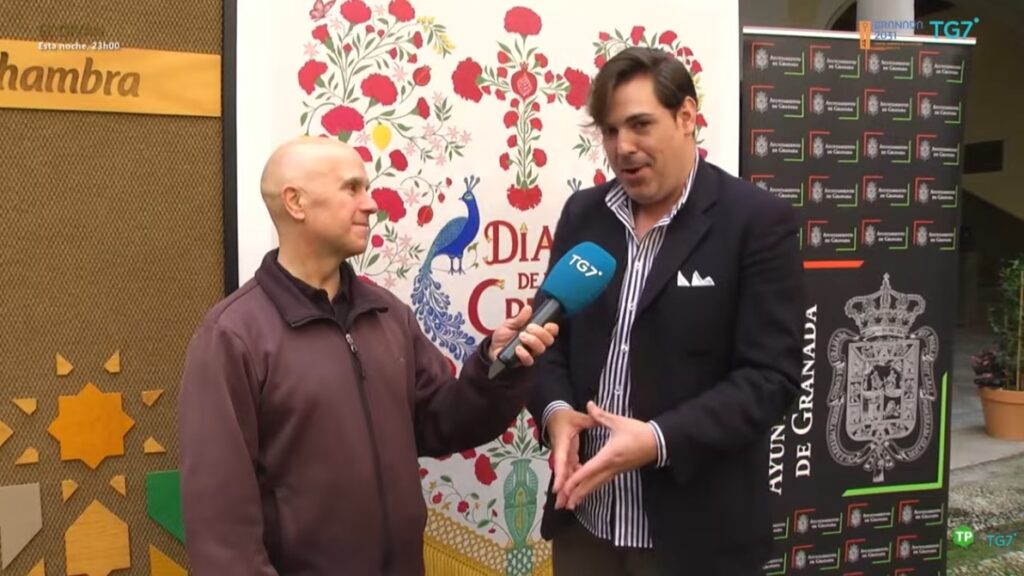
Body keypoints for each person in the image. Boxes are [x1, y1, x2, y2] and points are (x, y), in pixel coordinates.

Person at [177, 137, 559, 575]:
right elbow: (221, 527)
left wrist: (498, 366)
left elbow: (443, 422)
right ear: (295, 202)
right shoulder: (232, 337)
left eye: (368, 188)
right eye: (352, 188)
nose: (371, 204)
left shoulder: (387, 315)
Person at [527, 47, 803, 575]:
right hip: (585, 522)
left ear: (686, 117)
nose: (622, 148)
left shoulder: (756, 222)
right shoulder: (584, 214)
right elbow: (548, 336)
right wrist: (556, 413)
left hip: (697, 538)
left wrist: (657, 440)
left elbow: (771, 378)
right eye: (610, 131)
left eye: (640, 125)